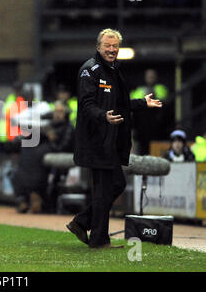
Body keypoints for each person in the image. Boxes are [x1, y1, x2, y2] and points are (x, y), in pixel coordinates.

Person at [67, 28, 163, 249]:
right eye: (107, 46)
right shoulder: (89, 71)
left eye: (115, 46)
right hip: (95, 142)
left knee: (114, 185)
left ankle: (82, 222)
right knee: (107, 187)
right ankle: (98, 240)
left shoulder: (113, 70)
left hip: (110, 141)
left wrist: (141, 103)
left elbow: (120, 104)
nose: (111, 50)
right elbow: (86, 105)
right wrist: (103, 116)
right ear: (98, 47)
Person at [130, 69, 169, 154]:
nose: (150, 78)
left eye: (152, 76)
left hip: (157, 126)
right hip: (142, 127)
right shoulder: (139, 89)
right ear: (145, 77)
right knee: (142, 149)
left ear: (156, 77)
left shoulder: (161, 88)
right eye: (149, 76)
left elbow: (164, 100)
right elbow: (132, 101)